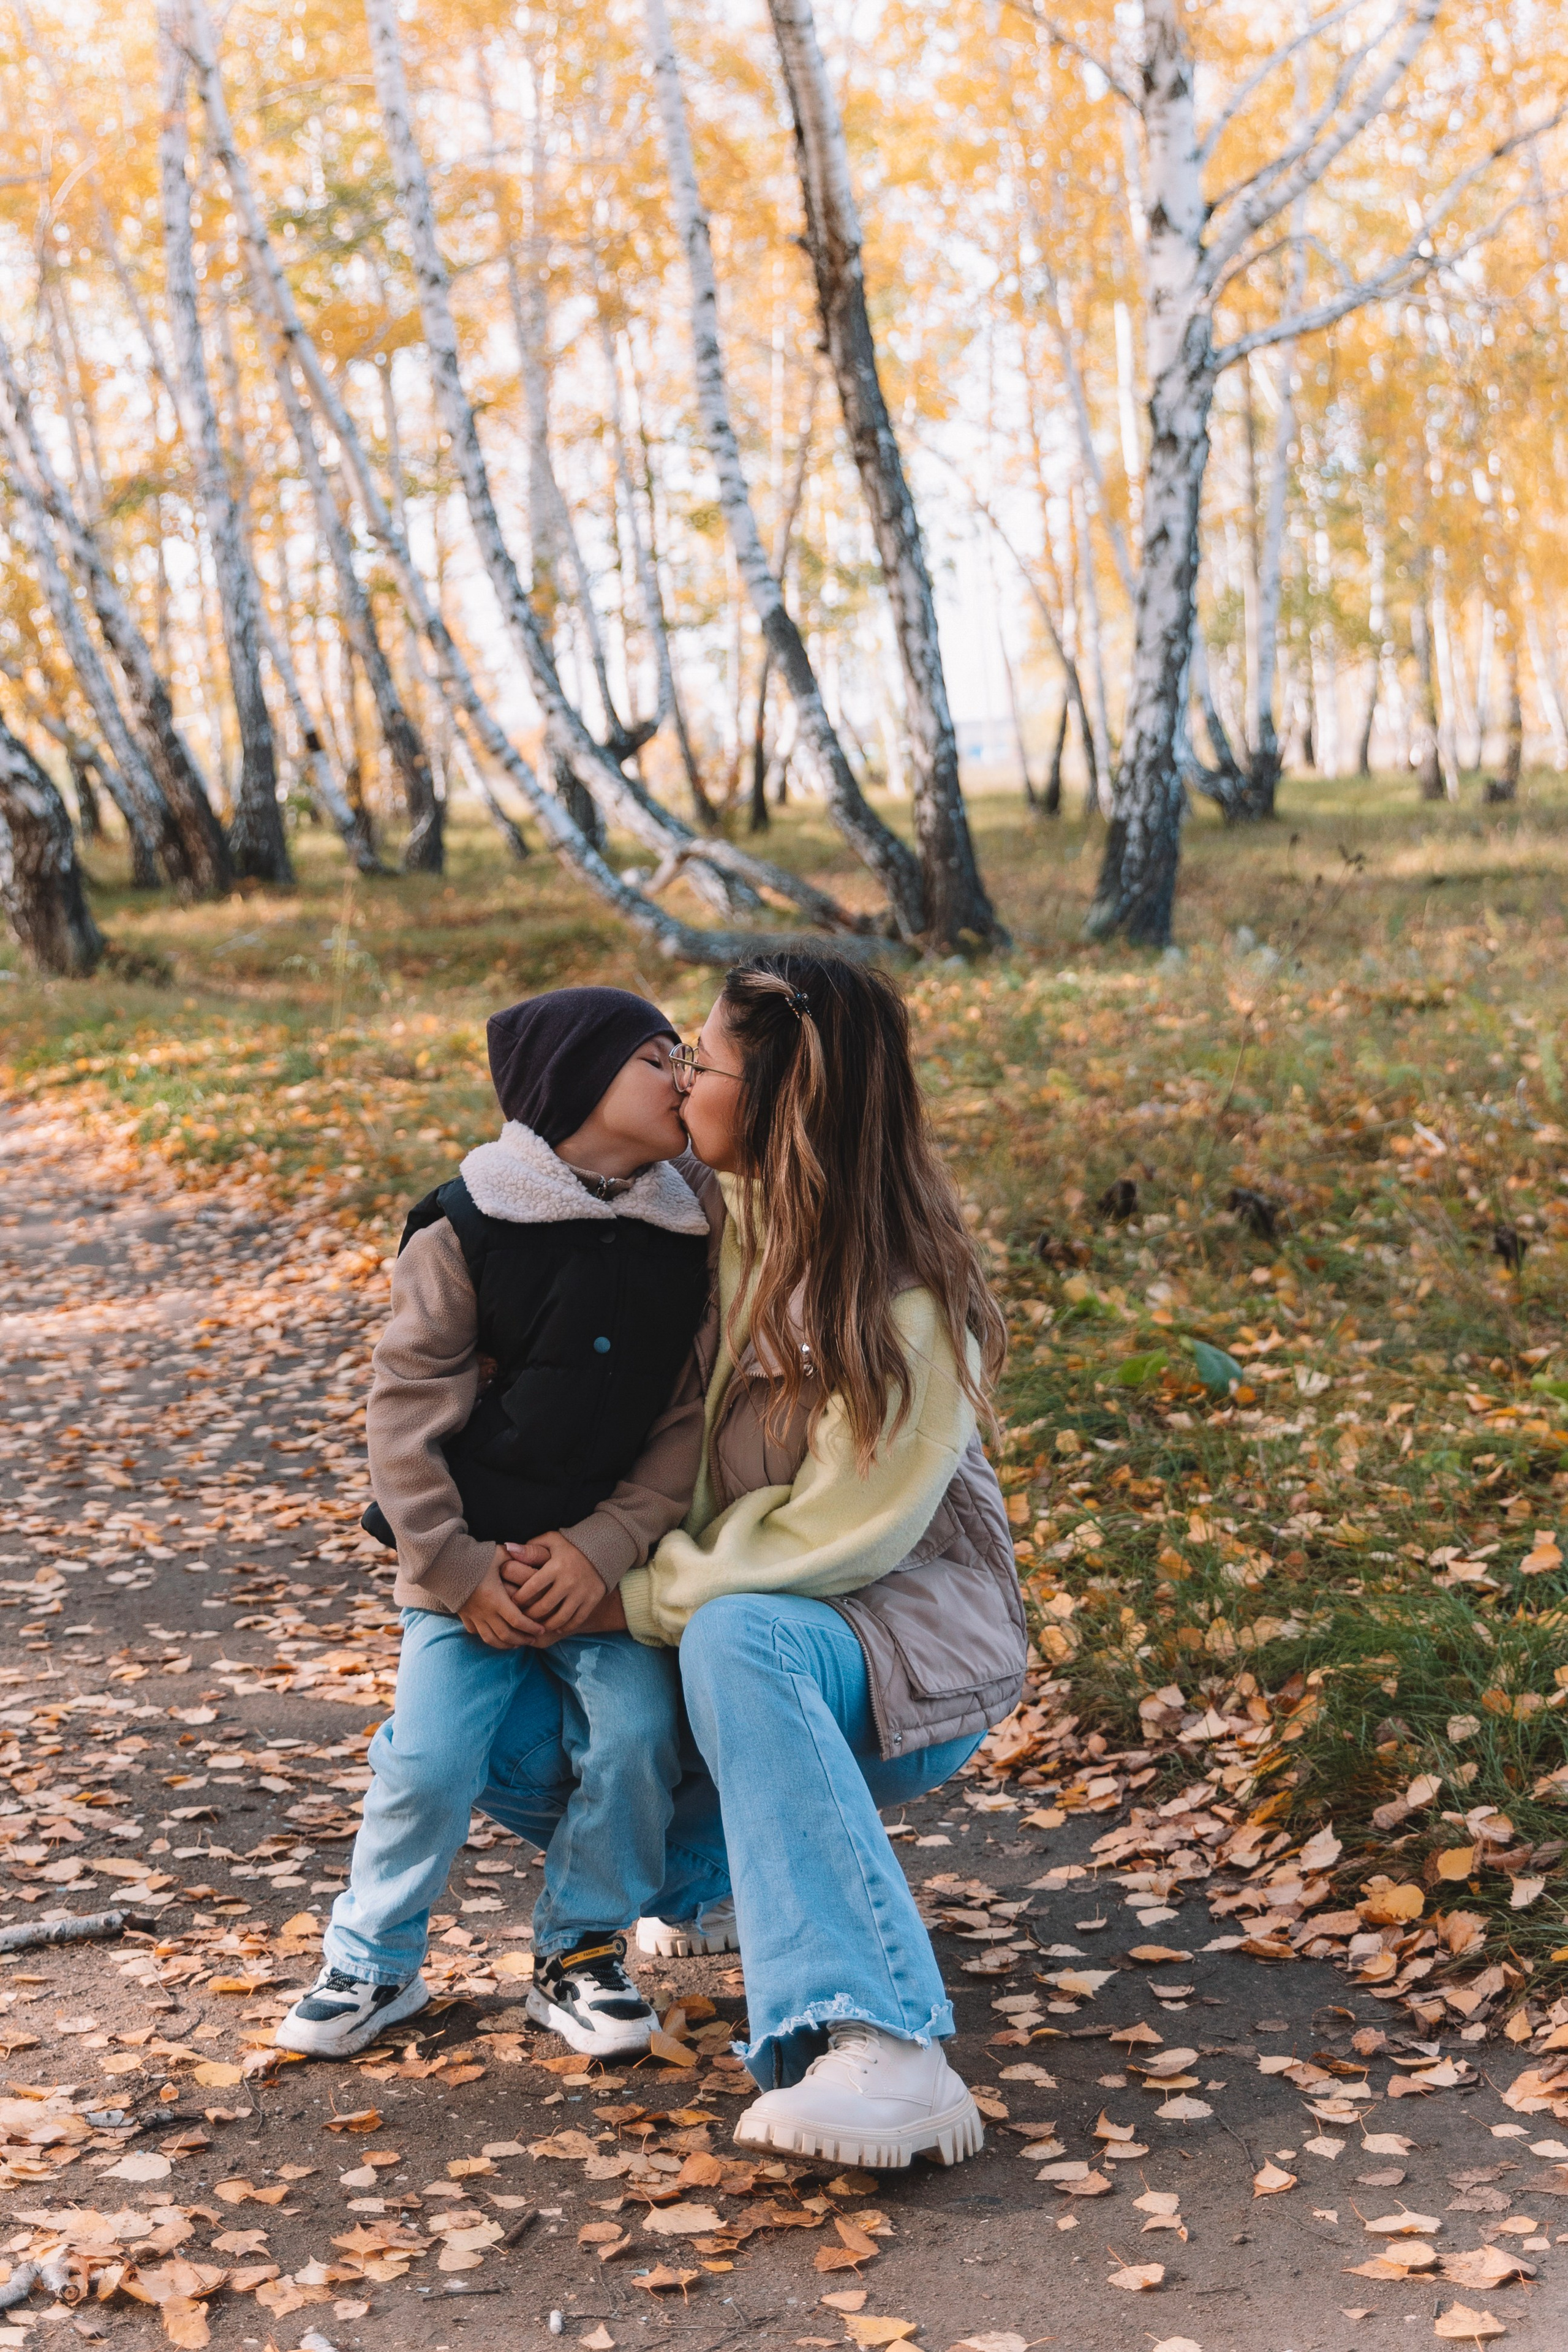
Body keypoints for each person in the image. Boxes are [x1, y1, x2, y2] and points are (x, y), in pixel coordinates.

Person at [505, 956, 1025, 2168]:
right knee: (485, 1708)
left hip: (892, 1652)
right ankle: (718, 1900)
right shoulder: (703, 1212)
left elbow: (834, 1542)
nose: (680, 1079)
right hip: (728, 1631)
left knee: (739, 1633)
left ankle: (891, 2048)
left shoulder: (899, 1301)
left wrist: (625, 1590)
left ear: (780, 1100)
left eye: (705, 1061)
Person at [277, 986, 732, 2065]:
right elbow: (404, 1416)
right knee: (429, 1759)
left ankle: (580, 1955)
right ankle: (373, 1960)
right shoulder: (465, 1227)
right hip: (463, 1568)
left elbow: (686, 1422)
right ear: (577, 1082)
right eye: (656, 1057)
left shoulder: (688, 1228)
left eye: (687, 1056)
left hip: (604, 1573)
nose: (683, 1076)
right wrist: (458, 1568)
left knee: (631, 1743)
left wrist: (609, 1545)